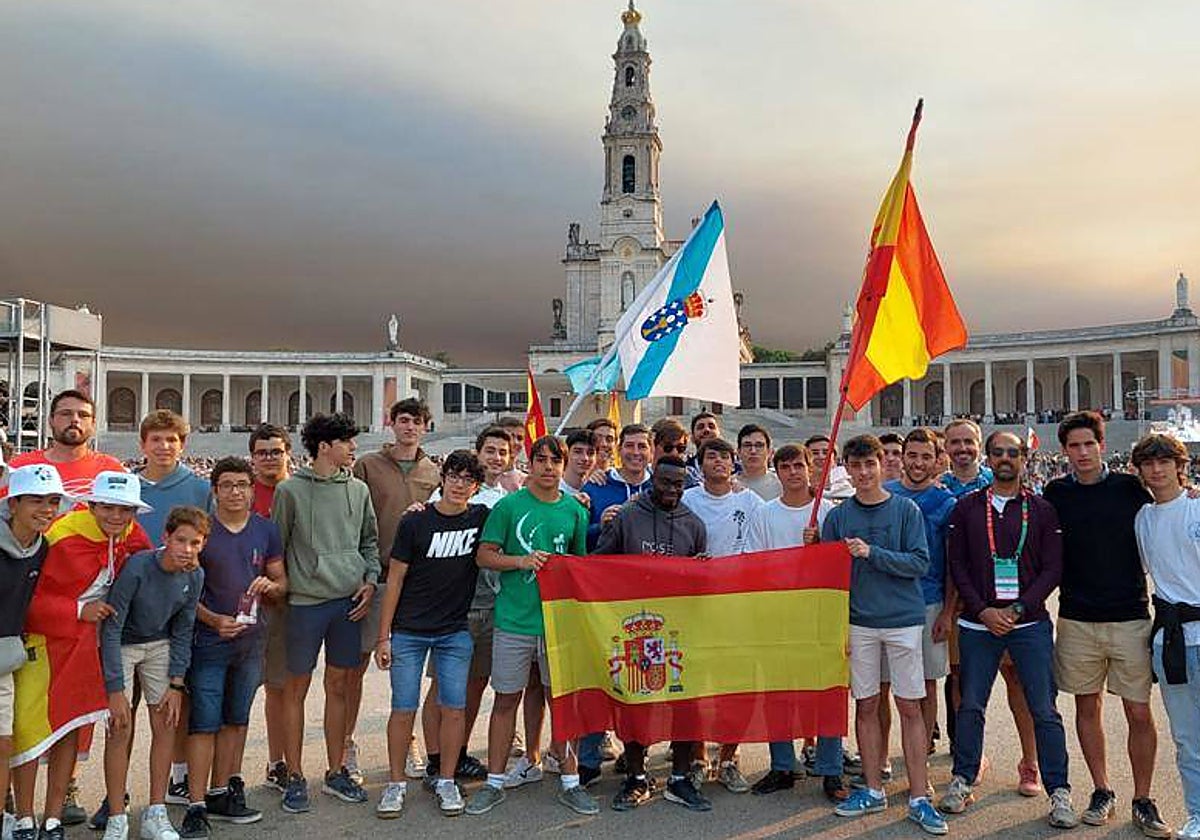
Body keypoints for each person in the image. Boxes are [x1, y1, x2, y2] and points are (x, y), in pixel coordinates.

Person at [939, 431, 1078, 829]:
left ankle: (1059, 789)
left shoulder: (1042, 510)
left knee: (1044, 709)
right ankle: (963, 778)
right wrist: (982, 611)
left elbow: (1052, 568)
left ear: (1024, 458)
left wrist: (1017, 609)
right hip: (978, 623)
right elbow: (958, 565)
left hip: (1028, 622)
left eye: (1012, 453)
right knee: (971, 705)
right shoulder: (966, 509)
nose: (1004, 459)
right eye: (997, 453)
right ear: (989, 457)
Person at [1043, 412, 1167, 835]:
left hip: (1130, 615)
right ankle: (1102, 788)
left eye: (1088, 445)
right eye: (1073, 446)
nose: (1082, 453)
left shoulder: (1131, 488)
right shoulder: (1055, 492)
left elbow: (1165, 513)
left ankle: (1143, 797)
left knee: (1138, 710)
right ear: (1064, 451)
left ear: (1101, 445)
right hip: (1077, 616)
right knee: (1086, 705)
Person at [10, 472, 153, 840]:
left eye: (125, 510)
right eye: (107, 507)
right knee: (29, 732)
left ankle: (53, 818)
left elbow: (150, 571)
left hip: (89, 649)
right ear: (91, 505)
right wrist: (77, 611)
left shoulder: (133, 535)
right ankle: (25, 817)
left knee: (71, 728)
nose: (116, 517)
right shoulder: (60, 536)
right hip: (45, 644)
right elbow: (27, 599)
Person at [464, 436, 597, 817]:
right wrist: (521, 562)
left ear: (564, 465)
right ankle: (494, 781)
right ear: (530, 463)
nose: (548, 467)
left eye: (556, 461)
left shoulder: (574, 510)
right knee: (507, 699)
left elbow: (578, 565)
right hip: (514, 621)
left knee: (563, 702)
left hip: (558, 625)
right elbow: (484, 555)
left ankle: (571, 782)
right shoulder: (509, 507)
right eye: (540, 460)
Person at [821, 435, 944, 835]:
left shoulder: (905, 510)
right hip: (859, 622)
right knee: (868, 704)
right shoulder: (838, 517)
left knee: (910, 706)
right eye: (855, 467)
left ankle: (920, 795)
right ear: (847, 469)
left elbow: (920, 563)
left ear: (881, 465)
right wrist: (815, 550)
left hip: (905, 620)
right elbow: (824, 573)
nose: (863, 474)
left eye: (869, 465)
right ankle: (873, 789)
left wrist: (873, 553)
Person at [271, 413, 380, 814]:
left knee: (340, 686)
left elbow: (370, 542)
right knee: (295, 689)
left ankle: (335, 771)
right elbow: (276, 549)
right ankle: (295, 775)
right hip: (304, 604)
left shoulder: (359, 490)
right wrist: (284, 591)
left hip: (348, 603)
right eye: (347, 442)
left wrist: (369, 578)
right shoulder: (289, 491)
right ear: (324, 446)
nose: (353, 448)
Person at [374, 451, 490, 818]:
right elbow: (394, 579)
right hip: (409, 631)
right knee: (403, 707)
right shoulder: (416, 521)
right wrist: (383, 636)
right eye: (453, 476)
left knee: (454, 708)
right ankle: (395, 784)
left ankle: (446, 779)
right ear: (443, 478)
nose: (459, 485)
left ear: (476, 486)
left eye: (467, 480)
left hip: (454, 631)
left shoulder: (481, 518)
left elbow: (518, 507)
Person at [180, 458, 287, 839]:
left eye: (243, 484)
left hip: (250, 639)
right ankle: (194, 805)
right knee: (204, 722)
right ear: (215, 490)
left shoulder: (266, 530)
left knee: (236, 719)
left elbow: (282, 580)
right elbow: (184, 591)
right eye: (227, 485)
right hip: (209, 640)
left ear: (251, 487)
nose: (236, 492)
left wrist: (271, 588)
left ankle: (221, 791)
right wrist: (212, 620)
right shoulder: (202, 532)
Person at [595, 456, 709, 812]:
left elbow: (701, 579)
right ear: (652, 480)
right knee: (635, 700)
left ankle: (678, 779)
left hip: (680, 628)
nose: (672, 490)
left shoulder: (694, 523)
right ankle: (637, 777)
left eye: (679, 484)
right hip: (635, 626)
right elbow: (601, 561)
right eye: (666, 483)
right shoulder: (629, 516)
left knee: (685, 702)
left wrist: (704, 571)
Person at [940, 418, 1038, 797]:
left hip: (1009, 604)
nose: (962, 448)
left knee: (1018, 682)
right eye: (955, 443)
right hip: (963, 604)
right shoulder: (938, 489)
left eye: (969, 442)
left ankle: (1029, 762)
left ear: (979, 446)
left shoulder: (1004, 480)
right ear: (946, 448)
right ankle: (972, 756)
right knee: (964, 685)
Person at [743, 445, 845, 801]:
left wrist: (818, 548)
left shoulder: (829, 513)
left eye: (798, 465)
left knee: (827, 693)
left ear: (810, 468)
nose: (792, 472)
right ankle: (783, 765)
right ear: (778, 470)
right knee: (778, 695)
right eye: (784, 467)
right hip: (778, 613)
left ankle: (831, 769)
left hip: (820, 615)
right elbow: (755, 564)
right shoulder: (764, 514)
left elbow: (840, 564)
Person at [99, 507, 207, 840]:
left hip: (160, 645)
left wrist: (177, 682)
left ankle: (156, 812)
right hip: (125, 643)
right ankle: (117, 817)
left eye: (195, 543)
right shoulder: (139, 567)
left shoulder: (195, 575)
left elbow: (184, 629)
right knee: (119, 727)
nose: (186, 549)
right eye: (181, 540)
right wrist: (115, 688)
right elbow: (112, 627)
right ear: (166, 538)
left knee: (166, 723)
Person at [349, 399, 440, 784]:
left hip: (419, 582)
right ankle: (346, 744)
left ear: (426, 427)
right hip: (379, 574)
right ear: (392, 424)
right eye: (403, 420)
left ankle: (409, 739)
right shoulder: (367, 465)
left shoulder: (434, 471)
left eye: (417, 422)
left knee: (409, 669)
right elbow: (356, 521)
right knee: (358, 663)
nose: (409, 427)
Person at [420, 427, 510, 786]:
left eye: (503, 452)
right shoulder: (440, 498)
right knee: (441, 686)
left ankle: (455, 752)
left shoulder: (505, 497)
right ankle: (435, 758)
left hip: (490, 604)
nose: (497, 457)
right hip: (453, 606)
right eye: (490, 450)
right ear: (478, 452)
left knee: (474, 684)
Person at [681, 437, 763, 793]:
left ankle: (729, 757)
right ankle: (698, 756)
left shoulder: (750, 501)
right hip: (696, 607)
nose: (718, 461)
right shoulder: (687, 501)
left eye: (724, 456)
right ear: (700, 465)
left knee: (737, 686)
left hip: (738, 607)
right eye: (710, 456)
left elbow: (766, 543)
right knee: (696, 685)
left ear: (734, 464)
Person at [1132, 434, 1200, 839]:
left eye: (1164, 463)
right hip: (1170, 642)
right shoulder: (1143, 518)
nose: (1157, 471)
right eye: (1148, 464)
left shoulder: (1196, 506)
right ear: (1139, 471)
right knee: (1187, 738)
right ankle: (1197, 812)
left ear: (1181, 466)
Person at [878, 429, 957, 775]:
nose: (918, 463)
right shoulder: (884, 494)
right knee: (880, 687)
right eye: (912, 455)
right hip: (884, 602)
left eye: (927, 456)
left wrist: (949, 612)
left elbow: (954, 564)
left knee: (925, 685)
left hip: (929, 602)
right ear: (901, 457)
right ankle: (879, 758)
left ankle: (919, 761)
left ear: (938, 459)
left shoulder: (947, 502)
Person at [0, 467, 66, 840]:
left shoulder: (42, 546)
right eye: (37, 500)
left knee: (3, 741)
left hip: (6, 656)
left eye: (53, 501)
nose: (47, 508)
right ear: (14, 503)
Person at [246, 424, 293, 793]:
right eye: (262, 452)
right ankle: (277, 759)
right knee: (269, 687)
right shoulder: (242, 493)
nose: (269, 458)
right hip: (256, 600)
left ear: (287, 452)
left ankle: (285, 759)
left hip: (304, 597)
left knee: (290, 685)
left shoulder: (302, 489)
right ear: (252, 457)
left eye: (276, 451)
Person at [8, 389, 124, 500]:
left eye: (83, 415)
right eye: (66, 413)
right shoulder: (20, 467)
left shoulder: (112, 471)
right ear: (51, 420)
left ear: (93, 424)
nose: (75, 419)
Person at [133, 411, 211, 546]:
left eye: (171, 440)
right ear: (143, 445)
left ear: (182, 446)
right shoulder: (126, 488)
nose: (164, 446)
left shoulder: (202, 490)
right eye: (156, 439)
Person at [585, 424, 653, 548]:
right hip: (606, 566)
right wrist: (600, 526)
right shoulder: (595, 486)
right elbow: (576, 540)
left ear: (651, 452)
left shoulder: (657, 489)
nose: (636, 452)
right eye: (629, 446)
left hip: (646, 566)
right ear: (619, 450)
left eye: (642, 446)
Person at [736, 424, 781, 501]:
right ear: (738, 452)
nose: (753, 451)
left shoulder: (782, 485)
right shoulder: (727, 485)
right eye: (747, 445)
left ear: (769, 452)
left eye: (759, 445)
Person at [496, 417, 528, 492]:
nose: (516, 442)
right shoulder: (483, 476)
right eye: (510, 437)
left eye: (520, 438)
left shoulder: (526, 480)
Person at [560, 429, 596, 494]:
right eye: (578, 452)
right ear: (566, 454)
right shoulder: (554, 490)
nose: (585, 458)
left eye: (590, 453)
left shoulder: (597, 490)